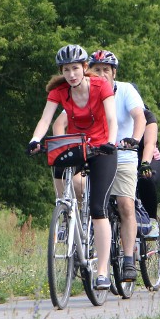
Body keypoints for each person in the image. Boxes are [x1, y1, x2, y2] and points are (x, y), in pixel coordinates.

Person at [29, 44, 118, 290]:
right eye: (66, 70)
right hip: (76, 146)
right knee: (57, 165)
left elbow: (111, 117)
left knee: (98, 207)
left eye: (75, 68)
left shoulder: (101, 85)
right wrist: (35, 140)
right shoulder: (59, 91)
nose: (71, 74)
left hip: (102, 148)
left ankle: (102, 271)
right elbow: (45, 119)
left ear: (85, 68)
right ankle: (65, 209)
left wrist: (111, 142)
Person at [53, 49, 146, 283]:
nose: (101, 74)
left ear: (114, 72)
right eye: (97, 69)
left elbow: (140, 117)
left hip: (122, 154)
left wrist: (134, 139)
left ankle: (127, 260)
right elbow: (60, 122)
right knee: (78, 187)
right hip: (91, 152)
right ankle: (79, 230)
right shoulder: (84, 91)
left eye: (107, 70)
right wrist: (62, 147)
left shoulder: (125, 90)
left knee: (125, 204)